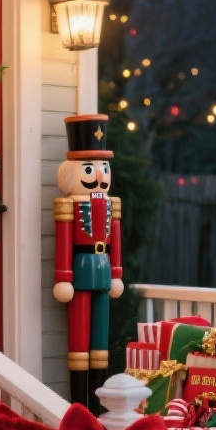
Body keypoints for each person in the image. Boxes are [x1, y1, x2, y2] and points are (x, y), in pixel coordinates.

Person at [53, 114, 123, 409]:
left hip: (104, 270)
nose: (98, 174)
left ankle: (99, 403)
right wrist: (63, 276)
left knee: (101, 342)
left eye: (103, 167)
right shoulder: (69, 204)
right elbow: (63, 241)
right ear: (72, 171)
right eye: (89, 167)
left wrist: (117, 272)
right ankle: (80, 402)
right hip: (81, 270)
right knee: (79, 341)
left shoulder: (110, 203)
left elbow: (115, 241)